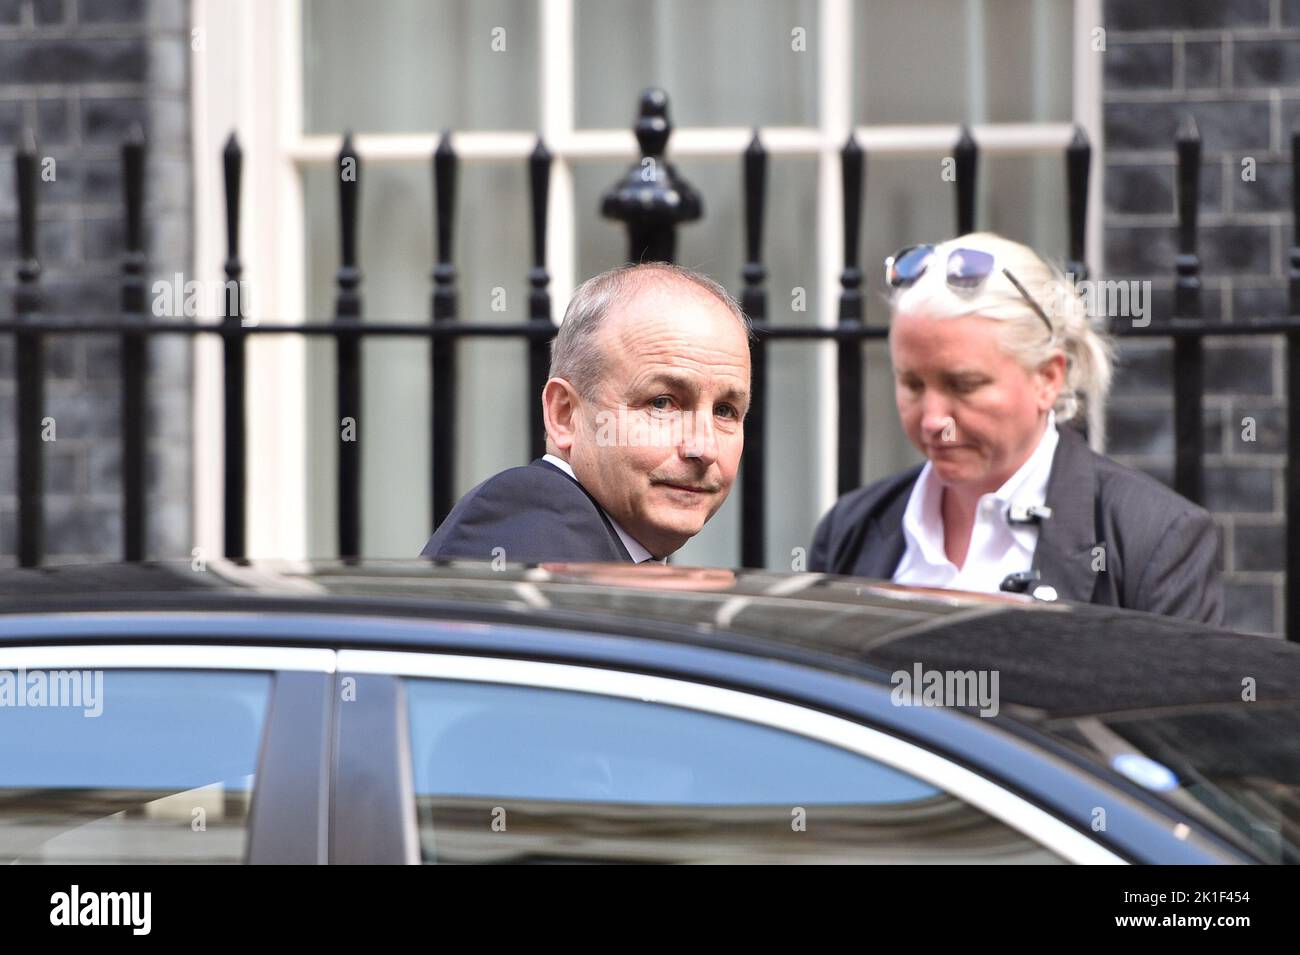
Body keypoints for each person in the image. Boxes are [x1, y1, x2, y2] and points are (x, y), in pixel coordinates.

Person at [810, 233, 1223, 625]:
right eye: (912, 384)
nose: (934, 420)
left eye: (965, 385)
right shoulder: (851, 529)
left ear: (1048, 378)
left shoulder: (1152, 540)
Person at [420, 262, 751, 564]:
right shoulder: (528, 524)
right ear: (565, 415)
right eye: (662, 403)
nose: (703, 449)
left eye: (725, 411)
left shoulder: (606, 548)